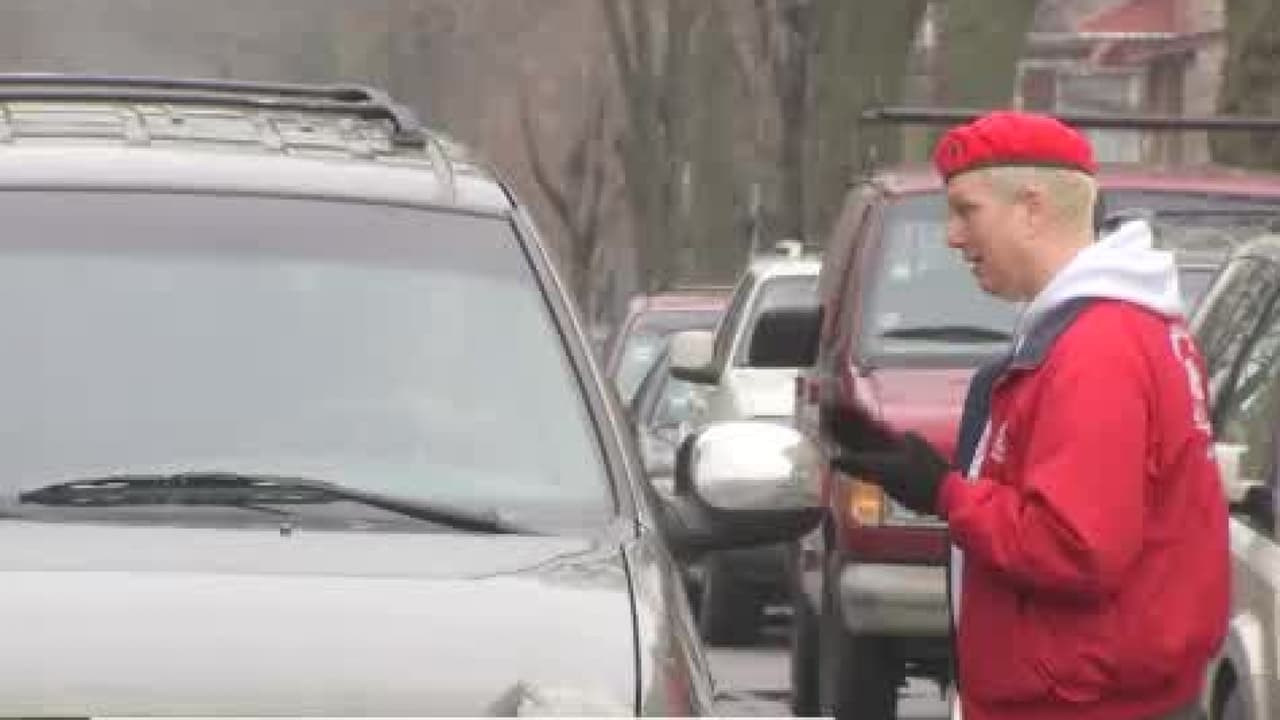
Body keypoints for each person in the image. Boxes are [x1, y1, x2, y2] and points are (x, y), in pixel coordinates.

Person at [830, 111, 1229, 720]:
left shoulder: (1096, 349)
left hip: (1080, 704)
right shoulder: (1121, 329)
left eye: (967, 211)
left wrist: (945, 493)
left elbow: (1074, 548)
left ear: (1031, 209)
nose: (953, 237)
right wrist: (935, 469)